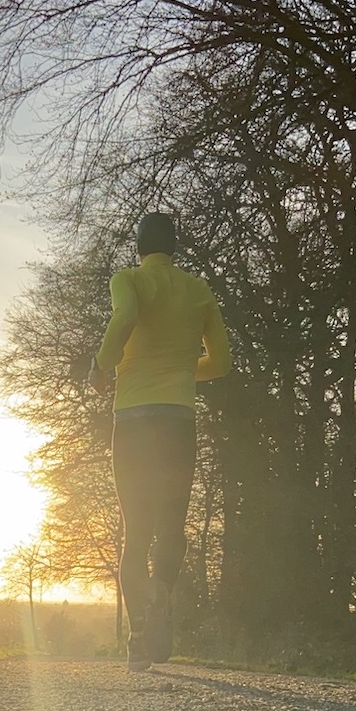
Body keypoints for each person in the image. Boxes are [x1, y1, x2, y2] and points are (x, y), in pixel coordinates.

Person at [89, 211, 232, 668]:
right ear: (175, 249)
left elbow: (126, 316)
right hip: (177, 418)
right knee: (171, 525)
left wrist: (103, 364)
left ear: (138, 247)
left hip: (132, 419)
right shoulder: (199, 290)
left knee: (137, 532)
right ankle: (162, 595)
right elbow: (223, 362)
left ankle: (138, 635)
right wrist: (180, 373)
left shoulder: (127, 279)